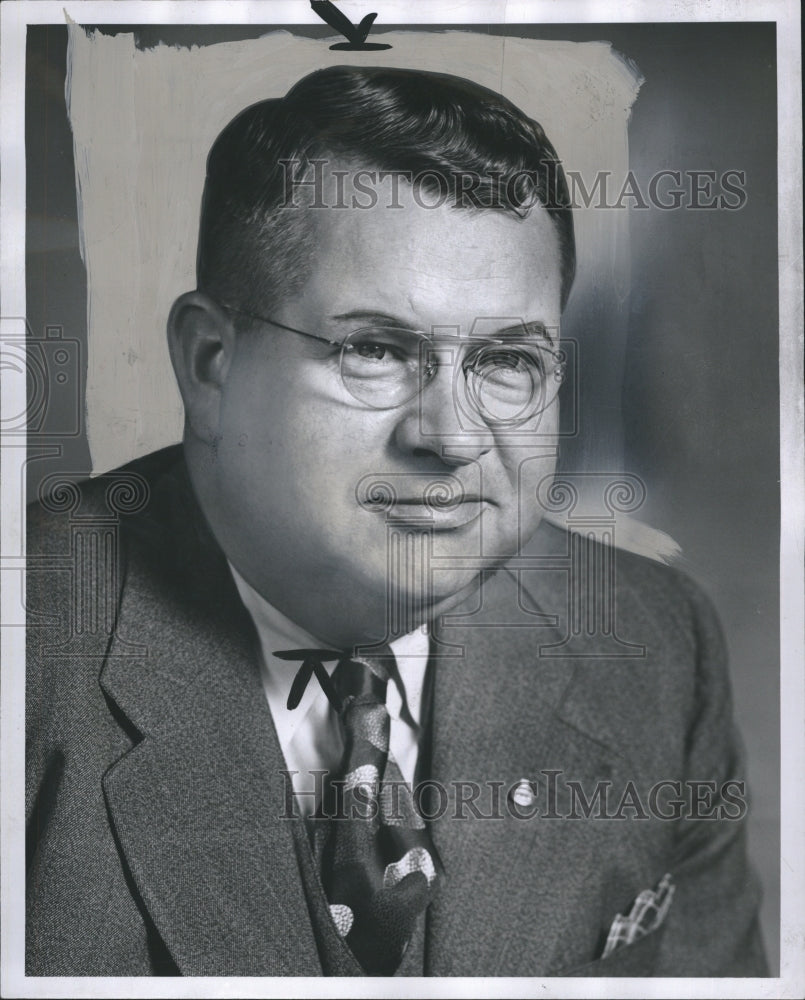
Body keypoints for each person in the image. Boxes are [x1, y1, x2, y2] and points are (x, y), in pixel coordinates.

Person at [25, 65, 767, 978]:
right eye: (375, 350)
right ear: (211, 363)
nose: (452, 438)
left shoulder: (655, 645)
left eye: (506, 360)